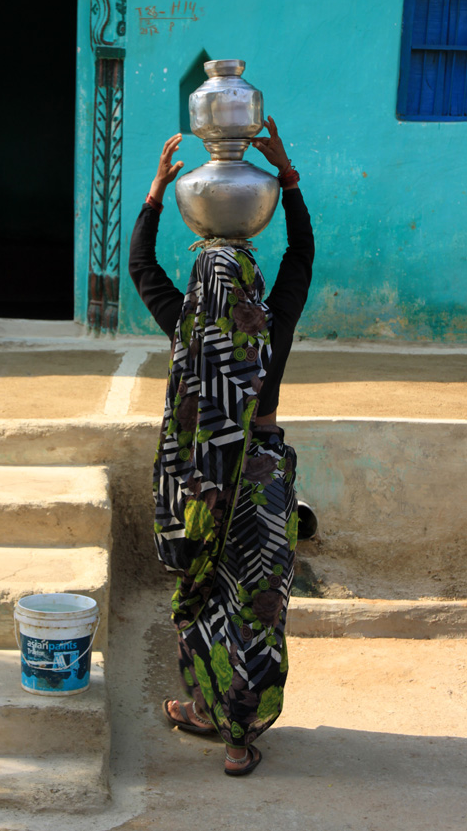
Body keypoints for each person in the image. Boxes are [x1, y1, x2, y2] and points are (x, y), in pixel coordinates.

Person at [129, 117, 314, 776]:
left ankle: (210, 708)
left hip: (202, 487)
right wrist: (285, 176)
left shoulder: (187, 330)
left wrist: (156, 194)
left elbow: (139, 266)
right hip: (260, 486)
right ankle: (238, 737)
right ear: (250, 286)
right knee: (252, 607)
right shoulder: (271, 328)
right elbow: (300, 256)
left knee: (205, 600)